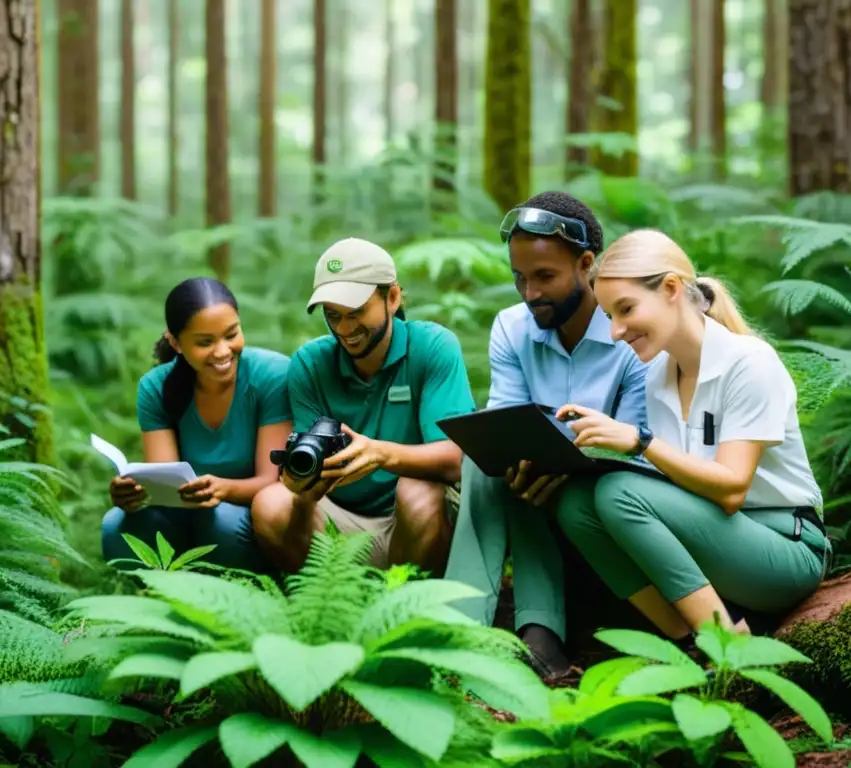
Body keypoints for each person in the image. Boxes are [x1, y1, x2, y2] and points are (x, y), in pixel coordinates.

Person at [554, 228, 830, 648]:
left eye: (625, 310)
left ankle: (727, 646)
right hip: (722, 538)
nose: (615, 331)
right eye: (609, 316)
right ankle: (681, 638)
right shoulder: (659, 377)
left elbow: (733, 488)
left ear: (670, 289)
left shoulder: (748, 363)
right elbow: (680, 487)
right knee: (577, 503)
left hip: (786, 549)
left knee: (618, 492)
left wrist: (639, 443)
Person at [442, 191, 650, 681]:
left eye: (545, 277)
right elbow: (506, 422)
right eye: (520, 278)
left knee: (562, 483)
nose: (530, 293)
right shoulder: (512, 328)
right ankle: (458, 633)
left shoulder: (632, 331)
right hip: (532, 494)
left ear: (586, 264)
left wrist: (567, 464)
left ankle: (539, 630)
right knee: (486, 464)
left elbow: (643, 447)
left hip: (607, 508)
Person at [250, 237, 476, 573]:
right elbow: (302, 480)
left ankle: (407, 609)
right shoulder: (311, 364)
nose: (344, 328)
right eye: (332, 315)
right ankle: (330, 604)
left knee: (419, 494)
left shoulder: (432, 347)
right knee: (270, 503)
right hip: (338, 522)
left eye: (356, 313)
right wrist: (302, 485)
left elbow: (456, 458)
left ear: (393, 297)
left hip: (415, 520)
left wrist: (381, 454)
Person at [102, 277, 292, 573]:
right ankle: (165, 599)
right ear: (176, 342)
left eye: (232, 335)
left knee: (221, 523)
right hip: (189, 511)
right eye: (205, 342)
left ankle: (245, 595)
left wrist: (223, 489)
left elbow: (272, 481)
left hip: (249, 513)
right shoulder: (156, 387)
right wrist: (135, 494)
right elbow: (166, 484)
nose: (222, 351)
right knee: (116, 525)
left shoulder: (272, 375)